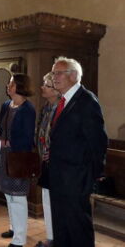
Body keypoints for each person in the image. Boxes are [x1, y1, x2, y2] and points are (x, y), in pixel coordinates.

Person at [49, 57, 108, 247]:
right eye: (53, 73)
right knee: (61, 222)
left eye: (58, 73)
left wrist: (94, 173)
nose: (54, 77)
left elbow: (98, 141)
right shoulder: (64, 100)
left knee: (77, 225)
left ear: (73, 76)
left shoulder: (86, 101)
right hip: (60, 174)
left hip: (76, 176)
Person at [0, 73, 36, 247]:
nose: (8, 85)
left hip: (19, 157)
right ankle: (13, 228)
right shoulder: (7, 105)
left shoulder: (28, 109)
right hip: (5, 155)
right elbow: (1, 127)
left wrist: (7, 142)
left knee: (18, 197)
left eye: (11, 83)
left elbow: (27, 138)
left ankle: (19, 239)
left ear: (20, 86)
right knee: (8, 195)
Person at [34, 72, 61, 247]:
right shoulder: (46, 106)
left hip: (58, 163)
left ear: (56, 90)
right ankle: (51, 237)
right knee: (47, 199)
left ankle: (58, 238)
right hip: (45, 160)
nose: (42, 87)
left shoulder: (62, 108)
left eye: (46, 85)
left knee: (57, 202)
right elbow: (41, 131)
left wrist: (52, 151)